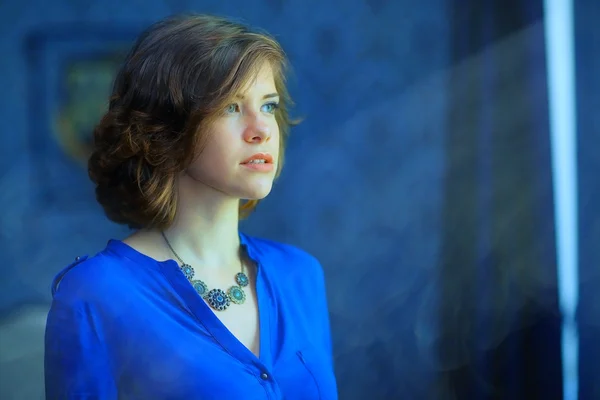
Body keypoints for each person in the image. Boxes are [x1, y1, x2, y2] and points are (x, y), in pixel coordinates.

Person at [44, 14, 338, 400]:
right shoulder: (96, 295)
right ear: (166, 130)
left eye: (269, 105)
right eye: (231, 107)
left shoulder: (301, 274)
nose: (261, 129)